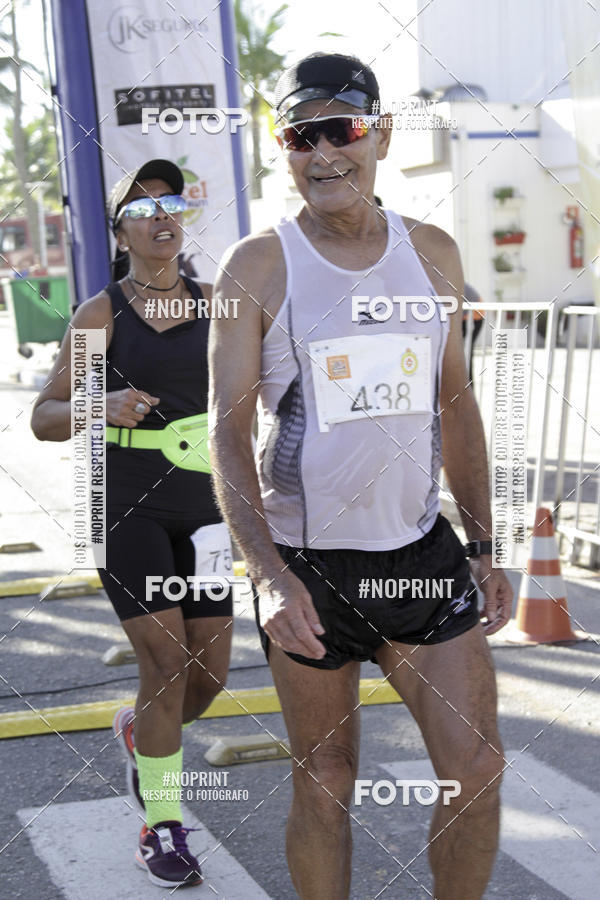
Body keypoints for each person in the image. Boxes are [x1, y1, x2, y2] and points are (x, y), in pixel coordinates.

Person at [208, 54, 512, 900]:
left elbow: (456, 405)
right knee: (327, 779)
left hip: (419, 552)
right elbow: (226, 434)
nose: (323, 153)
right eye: (301, 137)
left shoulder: (433, 252)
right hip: (310, 568)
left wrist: (485, 543)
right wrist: (267, 577)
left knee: (478, 768)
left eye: (341, 129)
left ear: (379, 133)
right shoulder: (259, 266)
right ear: (285, 149)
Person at [31, 159, 234, 888]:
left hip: (207, 510)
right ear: (121, 232)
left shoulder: (219, 305)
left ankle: (135, 731)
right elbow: (44, 417)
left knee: (206, 678)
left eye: (174, 200)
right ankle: (164, 825)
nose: (162, 214)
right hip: (125, 505)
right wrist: (100, 406)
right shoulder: (101, 314)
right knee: (166, 664)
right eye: (144, 207)